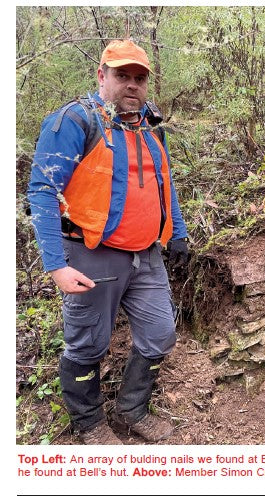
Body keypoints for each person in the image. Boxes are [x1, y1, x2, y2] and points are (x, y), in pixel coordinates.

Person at [27, 39, 190, 444]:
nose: (131, 85)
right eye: (122, 76)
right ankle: (89, 425)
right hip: (91, 255)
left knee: (160, 334)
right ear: (102, 76)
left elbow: (163, 184)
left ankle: (132, 410)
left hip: (146, 254)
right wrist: (56, 266)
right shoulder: (74, 121)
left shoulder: (150, 126)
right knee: (87, 345)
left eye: (139, 78)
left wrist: (179, 233)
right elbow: (43, 191)